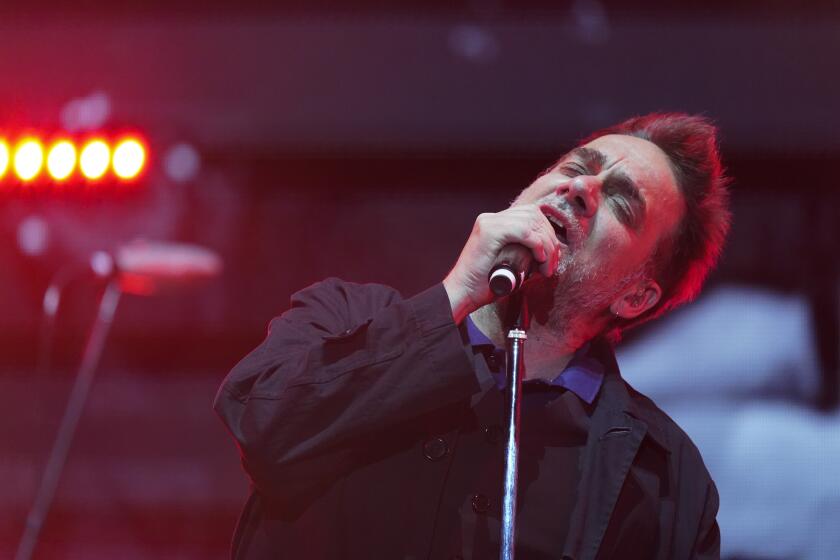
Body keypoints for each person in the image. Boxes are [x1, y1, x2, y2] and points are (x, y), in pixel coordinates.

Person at [214, 112, 730, 559]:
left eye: (621, 201)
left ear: (635, 296)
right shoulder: (344, 317)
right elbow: (262, 424)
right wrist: (455, 296)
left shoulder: (665, 481)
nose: (579, 188)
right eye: (576, 167)